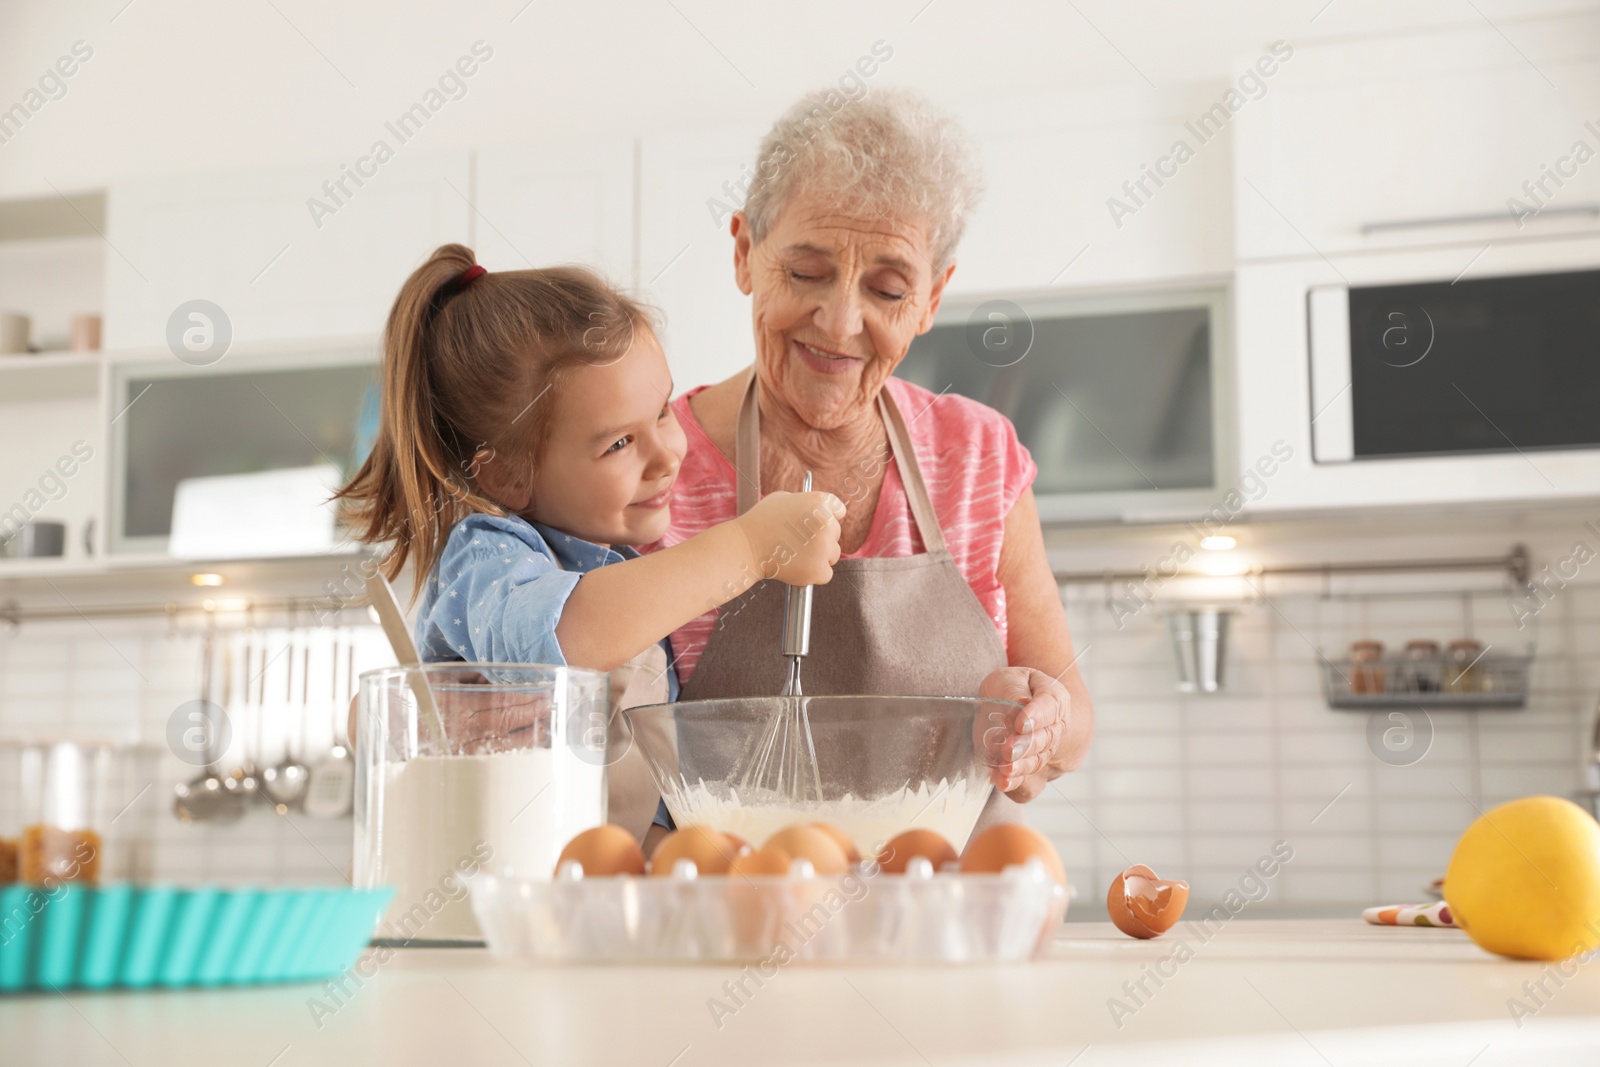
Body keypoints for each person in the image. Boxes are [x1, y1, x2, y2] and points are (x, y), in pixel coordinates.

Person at [641, 88, 1095, 848]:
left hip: (937, 927)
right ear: (744, 252)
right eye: (808, 272)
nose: (841, 322)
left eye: (887, 289)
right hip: (724, 927)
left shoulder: (979, 460)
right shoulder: (653, 468)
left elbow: (1071, 711)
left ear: (932, 298)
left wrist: (1040, 721)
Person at [337, 243, 844, 839]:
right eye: (618, 445)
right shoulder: (487, 556)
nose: (665, 456)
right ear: (507, 476)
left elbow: (639, 798)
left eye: (661, 413)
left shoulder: (615, 555)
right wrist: (751, 548)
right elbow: (562, 640)